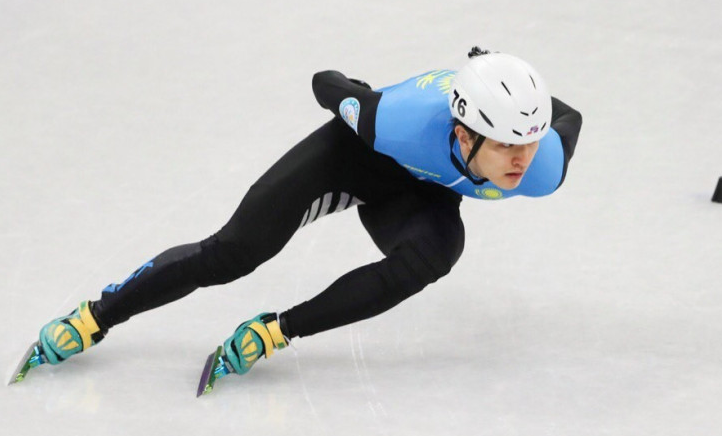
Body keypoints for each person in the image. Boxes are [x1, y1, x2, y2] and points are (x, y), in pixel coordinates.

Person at [37, 47, 582, 382]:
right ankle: (98, 316)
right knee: (234, 253)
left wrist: (504, 86)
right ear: (463, 133)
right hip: (354, 158)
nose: (521, 159)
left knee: (436, 254)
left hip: (418, 196)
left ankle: (276, 331)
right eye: (508, 144)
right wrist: (361, 96)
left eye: (529, 142)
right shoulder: (394, 120)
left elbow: (569, 117)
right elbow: (326, 82)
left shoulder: (539, 167)